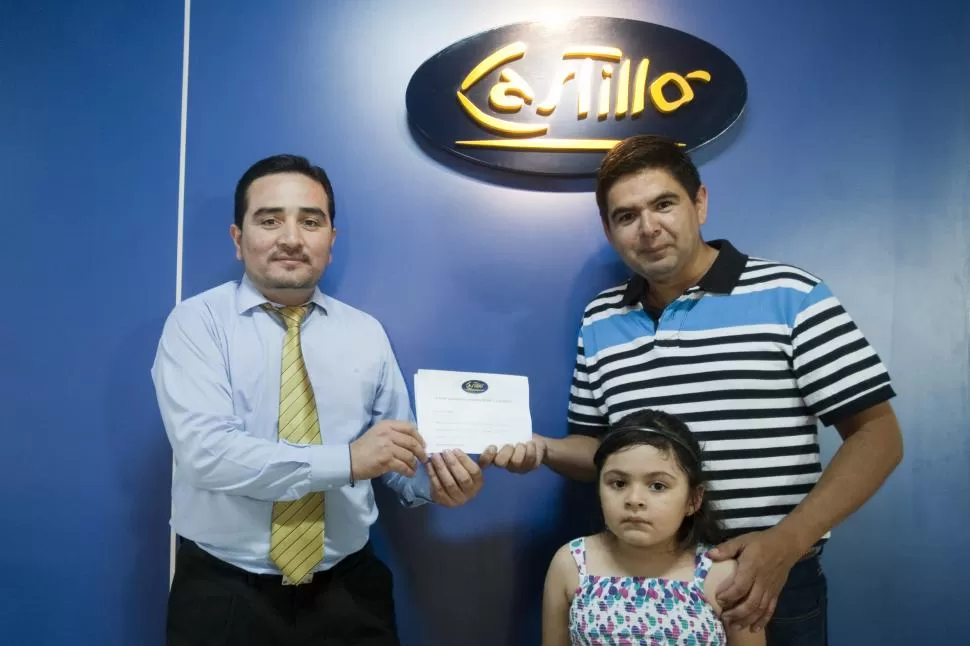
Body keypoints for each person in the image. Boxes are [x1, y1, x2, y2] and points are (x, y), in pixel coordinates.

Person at [486, 135, 904, 644]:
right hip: (640, 582)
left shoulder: (790, 295)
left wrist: (787, 542)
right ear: (609, 229)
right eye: (626, 215)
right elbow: (598, 449)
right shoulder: (600, 318)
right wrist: (543, 449)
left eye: (664, 204)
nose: (649, 228)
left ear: (699, 203)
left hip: (764, 580)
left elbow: (877, 435)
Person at [152, 154, 489, 646]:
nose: (291, 237)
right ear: (237, 239)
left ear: (331, 241)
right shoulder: (196, 324)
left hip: (349, 592)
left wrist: (438, 483)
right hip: (224, 594)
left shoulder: (366, 333)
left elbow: (395, 454)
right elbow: (208, 456)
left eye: (311, 222)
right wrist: (348, 460)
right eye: (269, 220)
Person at [542, 408, 764, 646]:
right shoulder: (572, 563)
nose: (634, 499)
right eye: (618, 483)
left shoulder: (723, 577)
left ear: (694, 500)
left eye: (657, 486)